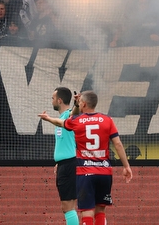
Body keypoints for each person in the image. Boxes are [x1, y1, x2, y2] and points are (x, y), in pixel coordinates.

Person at [40, 90, 132, 225]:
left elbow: (61, 123)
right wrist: (126, 166)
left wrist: (47, 119)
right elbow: (117, 144)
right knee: (100, 210)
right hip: (104, 172)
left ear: (83, 104)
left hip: (85, 171)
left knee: (87, 211)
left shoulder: (78, 121)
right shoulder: (107, 120)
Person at [48, 87, 78, 225]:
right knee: (68, 206)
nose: (52, 101)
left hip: (69, 165)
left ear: (59, 100)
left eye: (53, 98)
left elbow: (74, 113)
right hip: (64, 164)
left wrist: (77, 105)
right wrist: (58, 162)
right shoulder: (61, 118)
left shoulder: (67, 116)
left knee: (67, 206)